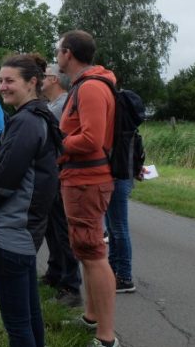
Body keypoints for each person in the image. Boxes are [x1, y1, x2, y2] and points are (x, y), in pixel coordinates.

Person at [0, 54, 62, 347]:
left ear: (32, 82)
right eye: (0, 80)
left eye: (10, 81)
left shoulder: (26, 122)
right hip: (24, 231)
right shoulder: (38, 116)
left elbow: (5, 178)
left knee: (17, 324)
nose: (3, 87)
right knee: (30, 315)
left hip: (11, 232)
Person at [56, 30, 119, 347]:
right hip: (80, 180)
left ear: (68, 53)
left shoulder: (91, 87)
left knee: (94, 254)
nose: (56, 57)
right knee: (85, 248)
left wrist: (59, 142)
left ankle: (106, 337)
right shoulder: (85, 85)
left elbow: (92, 139)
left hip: (87, 181)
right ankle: (92, 316)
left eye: (58, 51)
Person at [40, 64, 82, 307]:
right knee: (52, 229)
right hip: (52, 175)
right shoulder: (52, 106)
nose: (40, 80)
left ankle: (70, 286)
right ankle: (55, 273)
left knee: (62, 231)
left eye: (44, 76)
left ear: (54, 79)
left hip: (60, 175)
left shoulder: (62, 106)